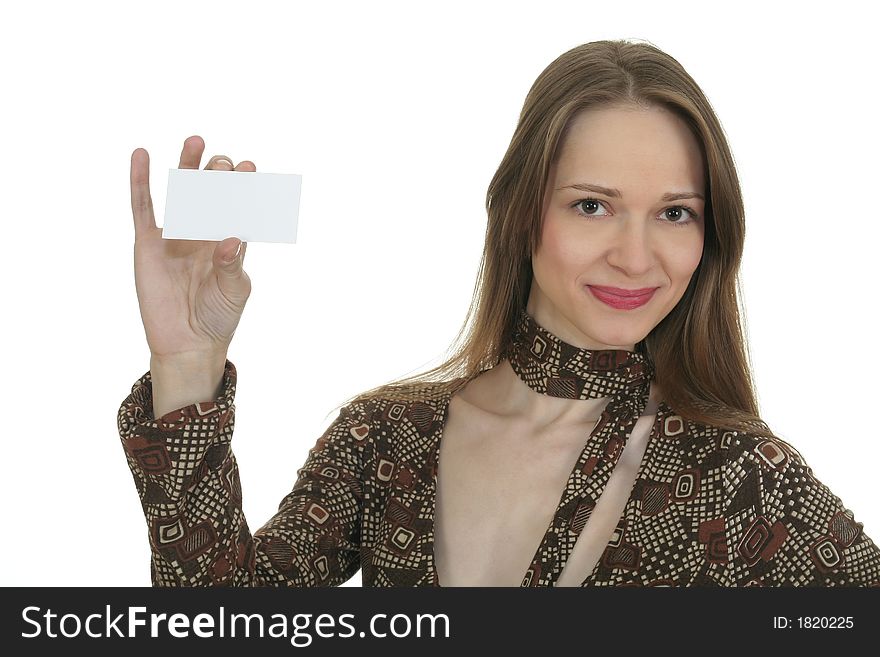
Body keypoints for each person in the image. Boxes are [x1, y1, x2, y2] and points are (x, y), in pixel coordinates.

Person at [118, 39, 880, 587]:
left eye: (675, 213)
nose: (637, 256)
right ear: (522, 215)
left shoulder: (744, 476)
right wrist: (187, 363)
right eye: (593, 205)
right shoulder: (384, 438)